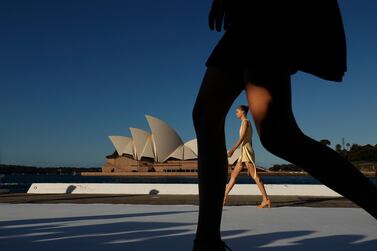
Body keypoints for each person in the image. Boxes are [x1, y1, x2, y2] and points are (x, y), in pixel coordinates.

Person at [192, 0, 377, 250]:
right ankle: (207, 241)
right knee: (206, 115)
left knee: (278, 135)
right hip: (246, 19)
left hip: (267, 14)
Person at [224, 105, 270, 208]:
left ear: (243, 112)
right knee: (233, 175)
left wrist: (232, 150)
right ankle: (224, 196)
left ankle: (265, 199)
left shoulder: (245, 122)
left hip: (246, 151)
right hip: (244, 152)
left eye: (237, 111)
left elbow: (242, 138)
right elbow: (249, 140)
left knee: (255, 176)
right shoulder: (244, 123)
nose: (236, 113)